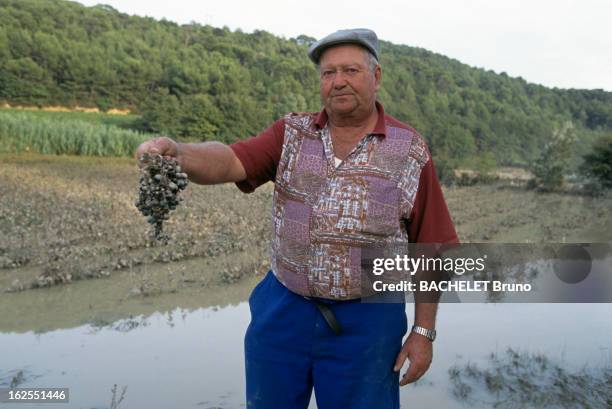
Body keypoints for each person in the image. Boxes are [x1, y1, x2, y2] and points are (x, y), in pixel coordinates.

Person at [135, 28, 458, 409]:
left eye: (351, 71)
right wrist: (179, 154)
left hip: (368, 321)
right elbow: (232, 160)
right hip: (284, 309)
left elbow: (433, 248)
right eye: (328, 73)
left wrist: (423, 332)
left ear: (377, 76)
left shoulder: (410, 150)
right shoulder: (291, 133)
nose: (338, 82)